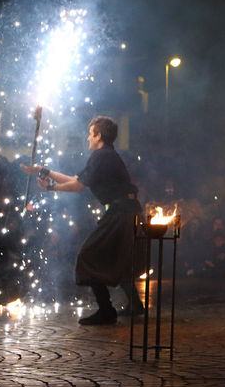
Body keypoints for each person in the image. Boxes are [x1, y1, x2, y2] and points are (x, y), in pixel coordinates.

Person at [22, 116, 144, 325]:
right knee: (118, 257)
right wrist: (44, 171)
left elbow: (77, 187)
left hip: (121, 213)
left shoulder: (102, 156)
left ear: (99, 136)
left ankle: (106, 310)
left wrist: (50, 187)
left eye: (91, 133)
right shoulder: (104, 156)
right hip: (124, 211)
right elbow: (76, 180)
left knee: (88, 255)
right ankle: (134, 304)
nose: (87, 137)